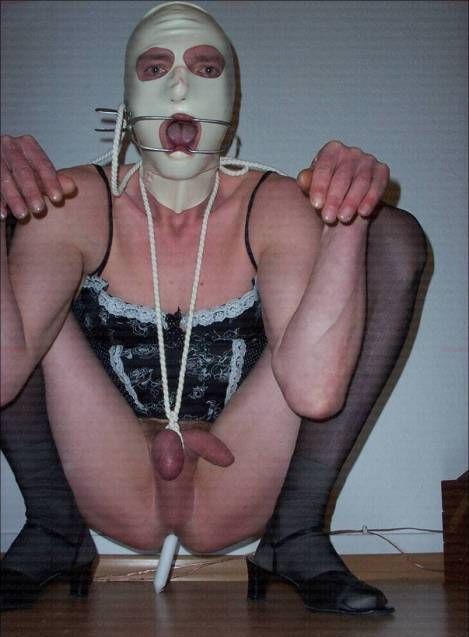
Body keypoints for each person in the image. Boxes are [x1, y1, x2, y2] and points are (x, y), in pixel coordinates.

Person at [0, 1, 426, 615]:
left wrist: (346, 218)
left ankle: (295, 534)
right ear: (126, 99)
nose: (179, 87)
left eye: (204, 68)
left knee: (392, 235)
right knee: (19, 220)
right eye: (155, 68)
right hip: (105, 465)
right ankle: (52, 526)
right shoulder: (74, 201)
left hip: (240, 467)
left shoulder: (273, 204)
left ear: (231, 96)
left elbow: (314, 392)